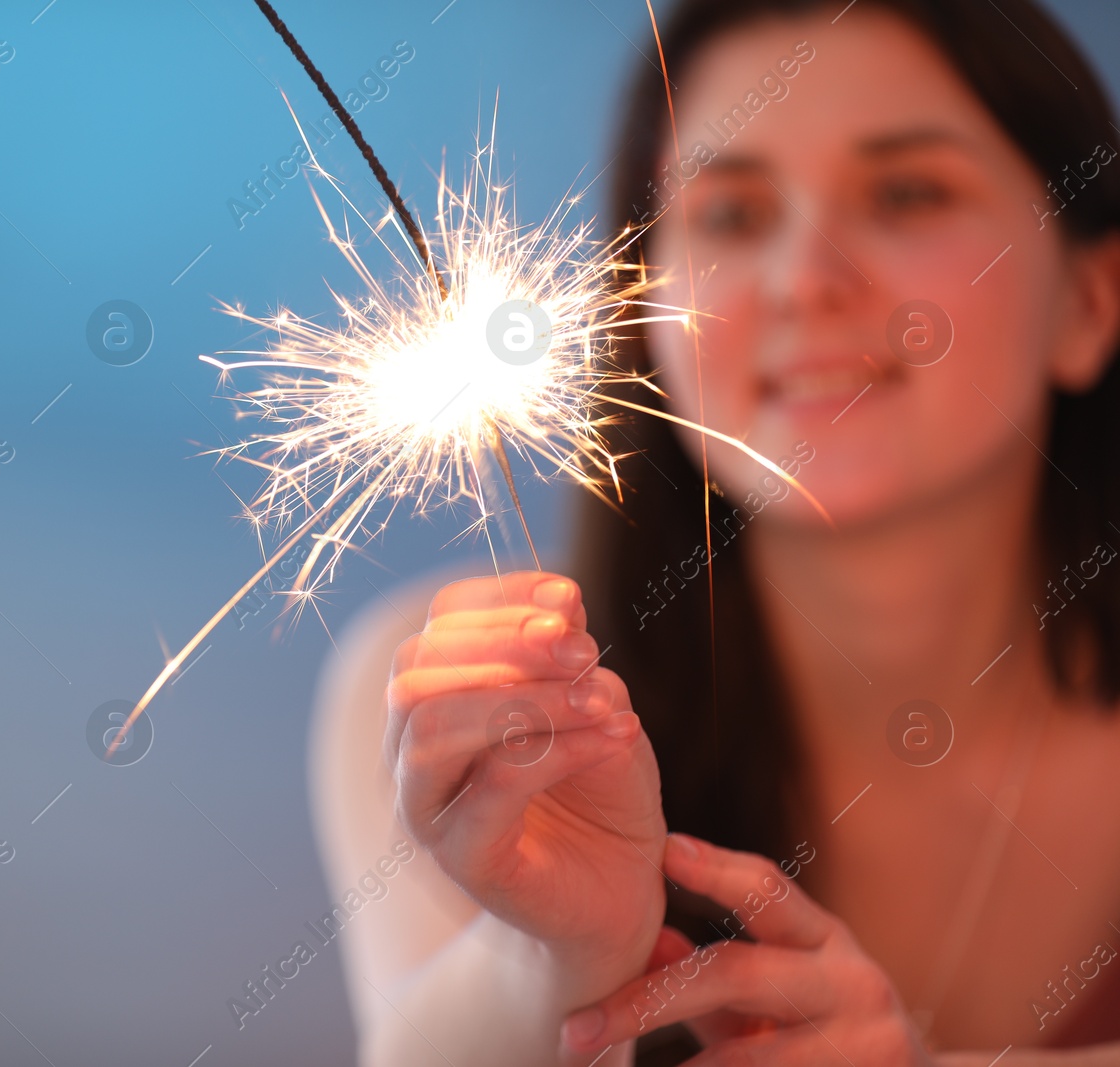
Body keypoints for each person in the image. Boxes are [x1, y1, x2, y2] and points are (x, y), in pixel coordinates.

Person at [307, 0, 1120, 1062]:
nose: (803, 279)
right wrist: (545, 950)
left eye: (906, 194)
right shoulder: (468, 708)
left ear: (1090, 301)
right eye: (731, 214)